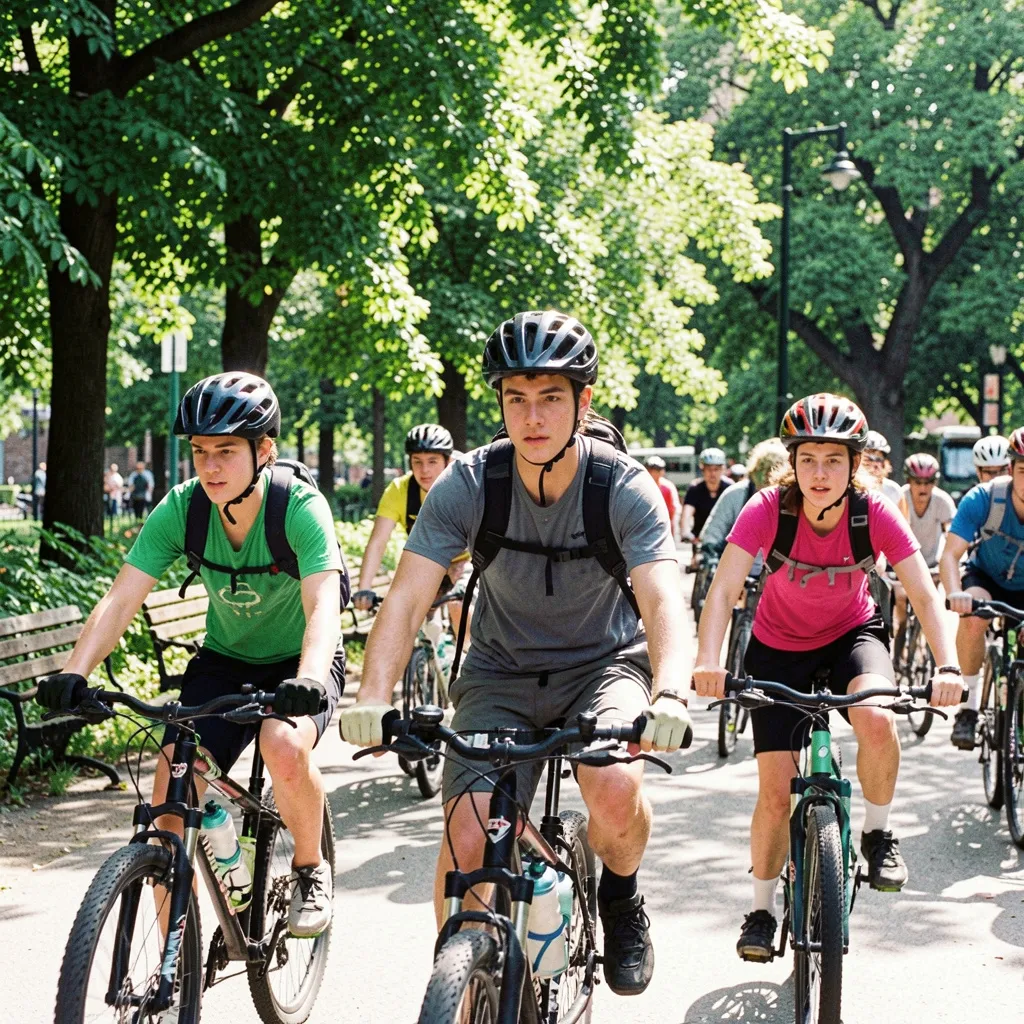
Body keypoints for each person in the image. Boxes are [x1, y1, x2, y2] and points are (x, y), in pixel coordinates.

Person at [339, 309, 692, 997]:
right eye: (516, 399)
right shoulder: (471, 483)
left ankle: (621, 898)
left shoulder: (622, 487)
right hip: (498, 672)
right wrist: (373, 695)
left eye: (551, 397)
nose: (532, 417)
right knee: (469, 841)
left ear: (583, 403)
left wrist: (673, 691)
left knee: (615, 790)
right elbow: (408, 597)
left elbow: (662, 599)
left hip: (606, 666)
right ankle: (465, 981)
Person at [41, 372, 345, 937]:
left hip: (300, 661)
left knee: (281, 743)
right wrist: (74, 672)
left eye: (226, 451)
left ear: (265, 451)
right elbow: (122, 595)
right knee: (171, 793)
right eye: (200, 452)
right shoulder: (184, 509)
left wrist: (308, 679)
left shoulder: (299, 508)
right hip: (225, 659)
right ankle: (171, 964)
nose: (209, 467)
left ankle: (309, 867)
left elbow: (324, 601)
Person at [692, 393, 961, 962]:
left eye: (833, 460)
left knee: (877, 718)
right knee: (773, 791)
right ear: (793, 462)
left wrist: (949, 664)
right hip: (776, 647)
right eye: (808, 459)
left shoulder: (875, 514)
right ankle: (762, 910)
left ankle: (878, 833)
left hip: (853, 637)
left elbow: (922, 591)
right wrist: (709, 660)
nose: (819, 473)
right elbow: (723, 591)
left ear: (854, 465)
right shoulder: (768, 508)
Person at [940, 426, 1024, 750]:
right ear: (1011, 470)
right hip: (985, 578)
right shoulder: (984, 498)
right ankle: (969, 707)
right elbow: (950, 555)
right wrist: (953, 593)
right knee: (974, 617)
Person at [352, 423, 468, 632]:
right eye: (417, 462)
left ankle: (466, 658)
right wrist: (364, 589)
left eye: (432, 461)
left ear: (447, 460)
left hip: (466, 559)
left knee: (460, 608)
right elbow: (378, 542)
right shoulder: (400, 490)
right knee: (405, 615)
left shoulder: (465, 484)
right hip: (428, 561)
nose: (424, 470)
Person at [892, 453, 956, 649]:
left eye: (928, 482)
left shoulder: (942, 501)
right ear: (909, 481)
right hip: (903, 562)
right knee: (901, 598)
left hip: (931, 564)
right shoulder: (899, 499)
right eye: (917, 482)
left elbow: (952, 535)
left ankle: (931, 651)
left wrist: (952, 563)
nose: (922, 488)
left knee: (933, 605)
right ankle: (901, 638)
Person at [698, 439, 788, 570]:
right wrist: (711, 556)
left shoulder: (795, 500)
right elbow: (714, 532)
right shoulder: (735, 494)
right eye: (764, 471)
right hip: (737, 576)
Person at [682, 447, 727, 546]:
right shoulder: (695, 488)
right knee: (697, 560)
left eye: (716, 469)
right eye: (709, 469)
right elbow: (687, 512)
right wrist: (685, 531)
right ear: (702, 470)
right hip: (699, 540)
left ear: (723, 469)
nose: (713, 473)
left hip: (724, 539)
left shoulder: (729, 488)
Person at [862, 430, 909, 517]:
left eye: (879, 459)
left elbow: (904, 526)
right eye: (869, 459)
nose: (875, 464)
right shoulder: (847, 489)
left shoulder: (894, 491)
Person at [645, 455, 681, 540]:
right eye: (651, 470)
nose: (654, 473)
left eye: (658, 470)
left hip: (665, 525)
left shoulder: (668, 487)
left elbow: (675, 508)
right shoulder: (642, 486)